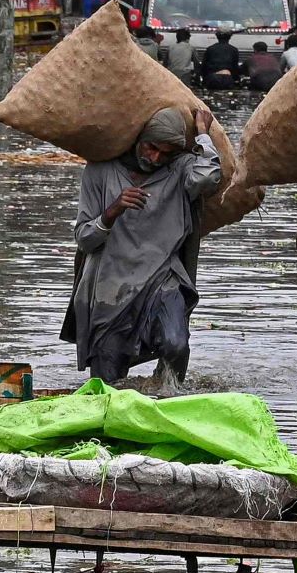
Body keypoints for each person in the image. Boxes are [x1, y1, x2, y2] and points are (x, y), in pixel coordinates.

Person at [65, 104, 222, 385]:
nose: (155, 157)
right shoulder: (101, 171)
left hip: (162, 278)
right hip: (108, 285)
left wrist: (202, 134)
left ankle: (167, 396)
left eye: (165, 153)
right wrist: (111, 212)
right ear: (138, 139)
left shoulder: (179, 169)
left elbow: (209, 178)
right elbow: (84, 238)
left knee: (176, 344)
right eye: (151, 147)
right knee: (107, 378)